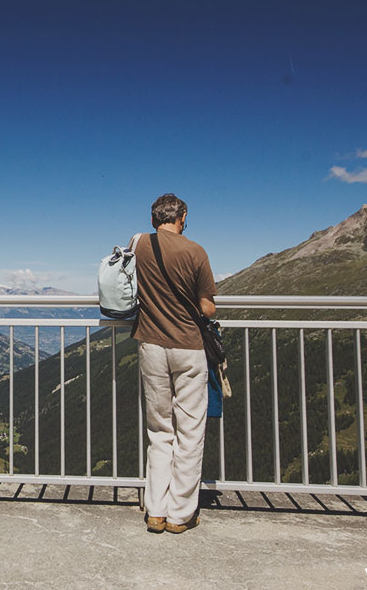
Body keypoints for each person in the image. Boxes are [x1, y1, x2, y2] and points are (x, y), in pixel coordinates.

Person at [133, 193, 217, 534]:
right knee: (190, 432)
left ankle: (155, 511)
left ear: (154, 219)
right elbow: (208, 308)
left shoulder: (138, 243)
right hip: (188, 347)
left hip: (151, 345)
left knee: (159, 431)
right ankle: (180, 514)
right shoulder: (196, 251)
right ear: (182, 218)